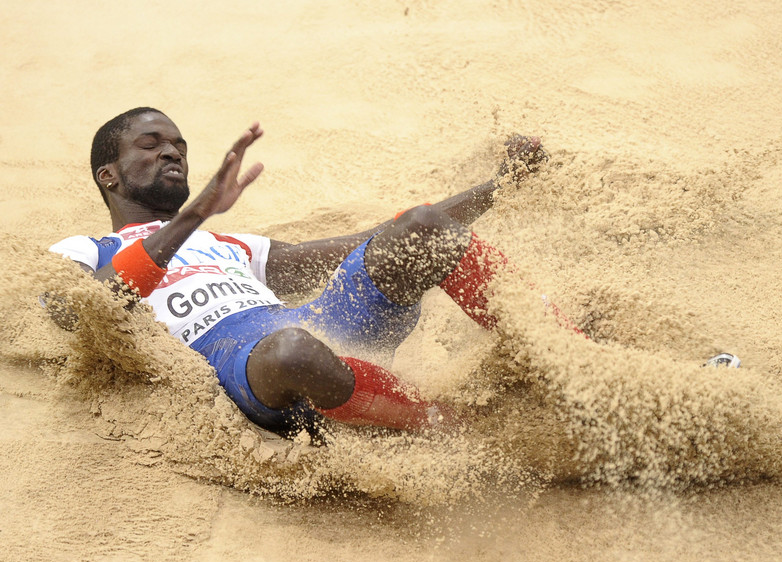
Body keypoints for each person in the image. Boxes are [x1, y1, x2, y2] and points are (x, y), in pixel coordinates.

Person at [49, 107, 578, 437]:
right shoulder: (83, 249)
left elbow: (363, 244)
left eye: (181, 146)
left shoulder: (229, 242)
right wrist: (194, 216)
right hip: (236, 360)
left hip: (315, 322)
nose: (173, 152)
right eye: (151, 144)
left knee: (417, 227)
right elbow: (90, 309)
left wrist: (500, 184)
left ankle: (567, 354)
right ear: (108, 175)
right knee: (292, 349)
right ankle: (464, 428)